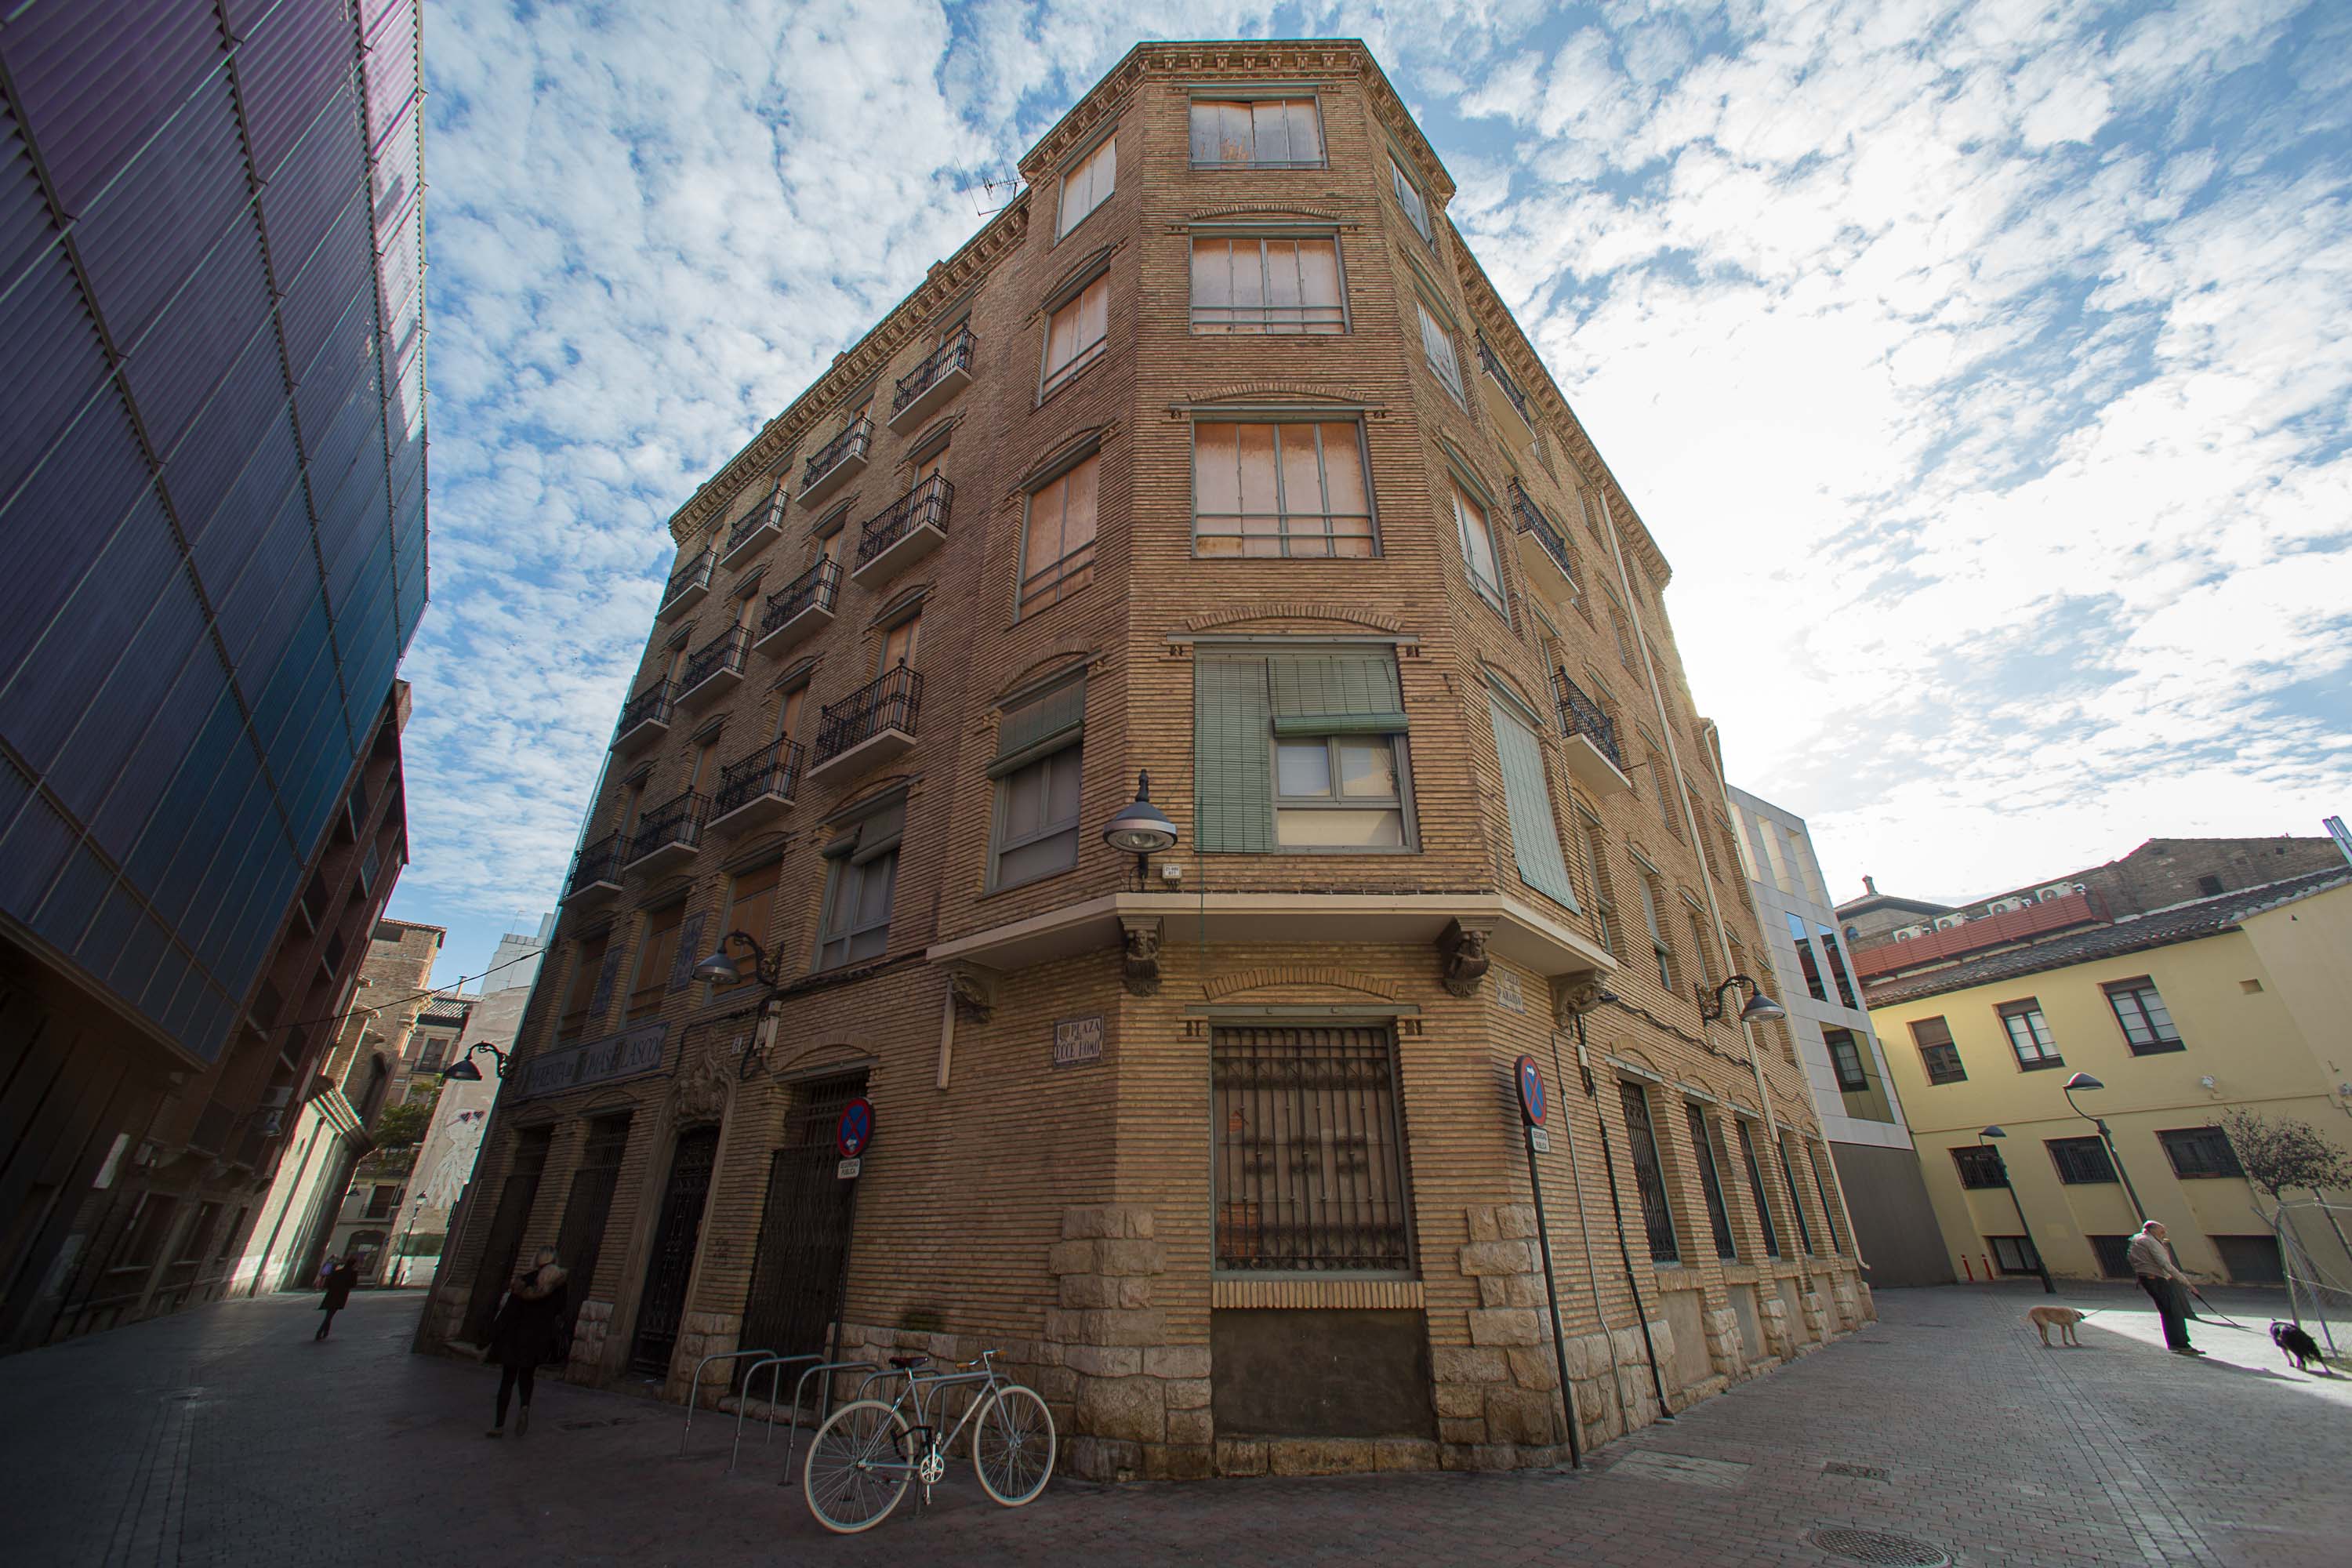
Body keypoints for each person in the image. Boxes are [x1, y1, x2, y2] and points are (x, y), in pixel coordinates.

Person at [485, 1247, 568, 1437]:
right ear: (555, 1260)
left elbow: (507, 1313)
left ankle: (498, 1426)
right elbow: (560, 1310)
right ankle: (524, 1406)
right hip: (537, 1339)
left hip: (515, 1337)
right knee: (527, 1377)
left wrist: (489, 1336)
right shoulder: (559, 1284)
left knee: (507, 1380)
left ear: (537, 1260)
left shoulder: (524, 1282)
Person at [2128, 1219, 2203, 1356]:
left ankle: (2176, 1343)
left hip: (2148, 1278)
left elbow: (2132, 1258)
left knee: (2167, 1311)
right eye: (2161, 1230)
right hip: (2156, 1279)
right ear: (2152, 1229)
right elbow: (2165, 1264)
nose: (2164, 1232)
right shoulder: (2150, 1242)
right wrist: (2188, 1284)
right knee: (2174, 1312)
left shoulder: (2138, 1240)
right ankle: (2181, 1344)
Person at [314, 1254, 358, 1341]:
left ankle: (326, 1331)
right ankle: (320, 1332)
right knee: (330, 1315)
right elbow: (353, 1284)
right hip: (341, 1295)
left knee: (329, 1313)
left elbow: (328, 1283)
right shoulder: (353, 1273)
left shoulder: (337, 1272)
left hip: (331, 1294)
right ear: (353, 1264)